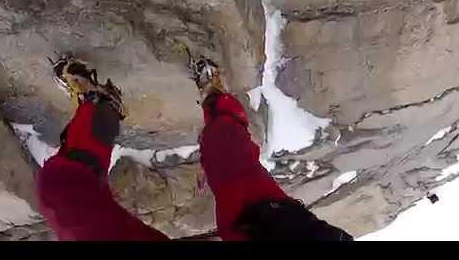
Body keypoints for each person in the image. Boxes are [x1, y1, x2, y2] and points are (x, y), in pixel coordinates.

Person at [37, 55, 353, 241]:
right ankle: (216, 99)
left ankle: (100, 108)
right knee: (226, 152)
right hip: (269, 232)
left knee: (62, 194)